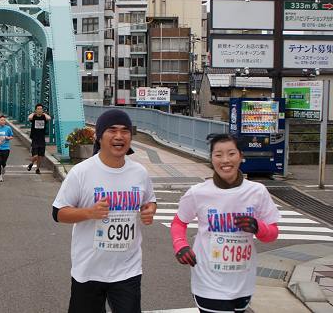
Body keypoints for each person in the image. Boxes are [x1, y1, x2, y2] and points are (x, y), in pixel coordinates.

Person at [52, 109, 157, 313]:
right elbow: (58, 213)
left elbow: (149, 201)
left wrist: (149, 210)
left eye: (125, 131)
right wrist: (89, 213)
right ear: (99, 137)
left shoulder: (139, 172)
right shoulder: (81, 172)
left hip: (128, 269)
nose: (119, 136)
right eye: (112, 130)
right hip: (89, 270)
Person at [170, 134, 280, 313]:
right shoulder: (198, 193)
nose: (225, 160)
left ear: (241, 156)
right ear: (211, 159)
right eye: (218, 155)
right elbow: (178, 223)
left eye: (231, 153)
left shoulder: (257, 191)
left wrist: (258, 227)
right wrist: (180, 245)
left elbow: (273, 234)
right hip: (208, 281)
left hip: (243, 281)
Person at [27, 104, 51, 174]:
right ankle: (31, 163)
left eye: (41, 109)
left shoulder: (44, 117)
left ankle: (37, 169)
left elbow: (49, 118)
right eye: (38, 109)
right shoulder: (34, 117)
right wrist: (34, 113)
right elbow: (29, 117)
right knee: (35, 156)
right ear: (36, 110)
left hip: (42, 139)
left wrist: (44, 113)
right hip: (35, 139)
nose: (39, 110)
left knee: (40, 157)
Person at [0, 115, 13, 182]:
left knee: (3, 162)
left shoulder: (8, 128)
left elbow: (11, 136)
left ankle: (4, 166)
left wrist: (7, 137)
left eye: (4, 120)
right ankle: (0, 176)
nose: (3, 121)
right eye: (1, 120)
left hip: (6, 148)